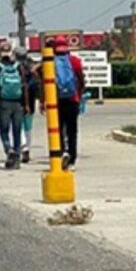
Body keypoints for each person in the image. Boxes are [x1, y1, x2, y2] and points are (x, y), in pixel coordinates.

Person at [0, 43, 29, 170]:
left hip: (4, 102)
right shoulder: (18, 66)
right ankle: (17, 159)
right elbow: (24, 85)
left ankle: (8, 150)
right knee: (17, 131)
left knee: (3, 130)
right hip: (18, 102)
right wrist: (27, 104)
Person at [53, 36, 86, 171]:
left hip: (56, 101)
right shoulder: (75, 61)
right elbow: (81, 79)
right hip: (72, 100)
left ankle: (61, 153)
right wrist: (80, 93)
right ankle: (71, 159)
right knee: (72, 131)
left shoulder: (51, 62)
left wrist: (43, 101)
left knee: (58, 130)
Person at [19, 48, 40, 163]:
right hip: (31, 100)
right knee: (28, 126)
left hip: (17, 99)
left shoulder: (15, 66)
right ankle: (27, 148)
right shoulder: (31, 67)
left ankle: (23, 147)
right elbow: (38, 82)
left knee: (18, 125)